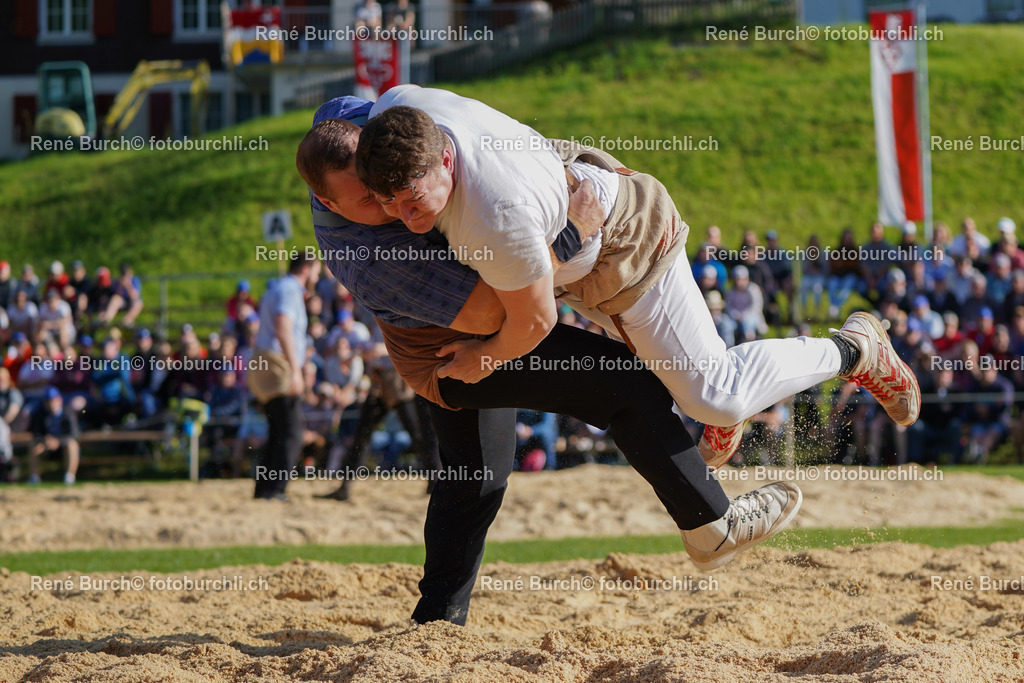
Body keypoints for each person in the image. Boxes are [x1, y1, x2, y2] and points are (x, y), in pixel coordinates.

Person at [297, 97, 804, 625]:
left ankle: (438, 622)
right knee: (621, 385)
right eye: (370, 199)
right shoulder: (372, 257)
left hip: (479, 324)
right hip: (457, 348)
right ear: (328, 204)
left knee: (478, 475)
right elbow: (506, 313)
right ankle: (712, 523)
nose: (387, 203)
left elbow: (380, 115)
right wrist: (570, 232)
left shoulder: (353, 125)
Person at [355, 86, 920, 468]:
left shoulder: (491, 217)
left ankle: (855, 350)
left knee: (717, 396)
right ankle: (721, 398)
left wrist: (483, 360)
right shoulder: (399, 106)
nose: (403, 216)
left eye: (411, 199)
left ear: (446, 162)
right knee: (683, 378)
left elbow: (533, 321)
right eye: (386, 202)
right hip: (573, 229)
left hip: (623, 248)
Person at [246, 253, 321, 501]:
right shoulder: (290, 289)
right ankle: (275, 490)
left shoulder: (280, 287)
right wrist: (296, 370)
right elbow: (283, 328)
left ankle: (264, 490)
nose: (317, 278)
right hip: (276, 363)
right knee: (292, 432)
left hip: (264, 360)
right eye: (316, 272)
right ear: (306, 269)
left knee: (278, 429)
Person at [28, 386, 79, 486]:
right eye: (48, 401)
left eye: (53, 400)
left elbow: (74, 434)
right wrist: (44, 442)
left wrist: (58, 442)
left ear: (59, 400)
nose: (51, 403)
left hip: (63, 447)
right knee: (34, 445)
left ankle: (69, 477)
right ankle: (34, 477)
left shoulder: (68, 412)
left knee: (73, 445)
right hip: (46, 447)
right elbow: (36, 433)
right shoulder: (40, 413)